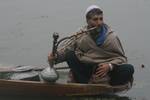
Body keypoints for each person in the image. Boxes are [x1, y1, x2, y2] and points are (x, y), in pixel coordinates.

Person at [48, 5, 134, 86]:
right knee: (70, 54)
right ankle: (87, 84)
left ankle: (106, 85)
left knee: (129, 69)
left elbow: (122, 58)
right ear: (87, 21)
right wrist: (55, 56)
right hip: (87, 69)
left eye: (101, 19)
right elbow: (66, 50)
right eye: (95, 19)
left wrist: (110, 66)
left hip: (106, 71)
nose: (99, 23)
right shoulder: (81, 34)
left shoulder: (111, 37)